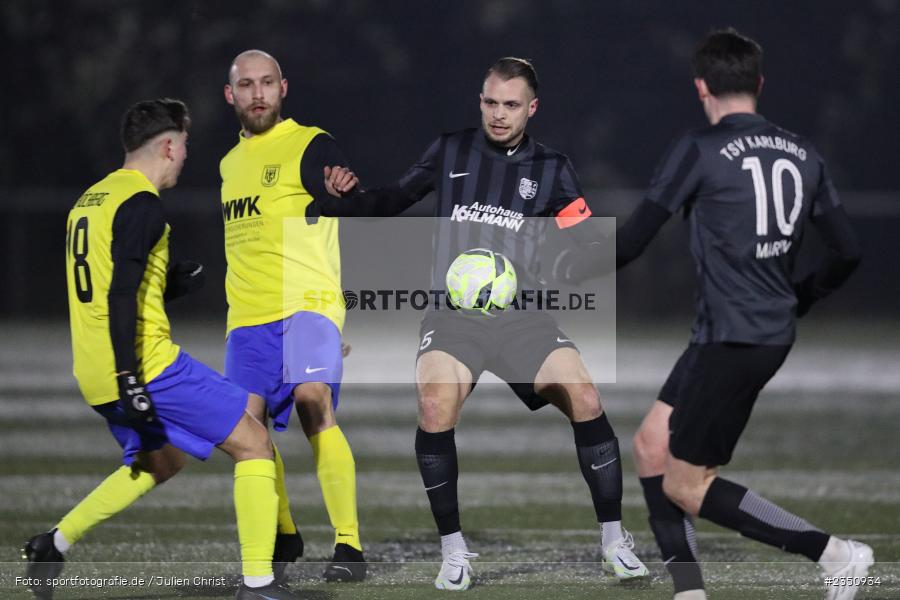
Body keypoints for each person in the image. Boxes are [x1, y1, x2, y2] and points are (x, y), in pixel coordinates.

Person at [311, 56, 648, 591]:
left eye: (510, 105)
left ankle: (614, 542)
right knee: (433, 404)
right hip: (453, 316)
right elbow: (393, 199)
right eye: (490, 102)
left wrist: (575, 259)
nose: (498, 114)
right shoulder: (450, 152)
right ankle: (454, 551)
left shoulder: (552, 169)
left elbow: (586, 236)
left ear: (531, 108)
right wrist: (346, 200)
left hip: (523, 317)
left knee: (585, 397)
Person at [558, 28, 870, 600]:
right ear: (759, 84)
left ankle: (836, 554)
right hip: (743, 334)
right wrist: (801, 294)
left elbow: (632, 244)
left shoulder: (699, 149)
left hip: (734, 340)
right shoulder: (805, 152)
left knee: (686, 484)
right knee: (652, 445)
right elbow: (848, 252)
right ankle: (688, 589)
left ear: (701, 86)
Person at [23, 98, 299, 600]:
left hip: (93, 368)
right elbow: (121, 294)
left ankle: (54, 544)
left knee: (162, 461)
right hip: (145, 365)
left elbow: (109, 285)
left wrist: (168, 285)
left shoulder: (93, 198)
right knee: (254, 442)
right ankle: (258, 584)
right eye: (185, 146)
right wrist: (132, 376)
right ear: (168, 144)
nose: (186, 156)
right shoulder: (141, 202)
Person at [220, 49, 365, 582]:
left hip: (308, 304)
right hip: (247, 317)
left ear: (284, 88)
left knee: (312, 401)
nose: (257, 93)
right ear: (230, 95)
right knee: (245, 433)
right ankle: (284, 532)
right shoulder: (228, 165)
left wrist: (342, 195)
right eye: (246, 85)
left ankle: (349, 546)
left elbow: (345, 198)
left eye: (266, 83)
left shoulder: (310, 144)